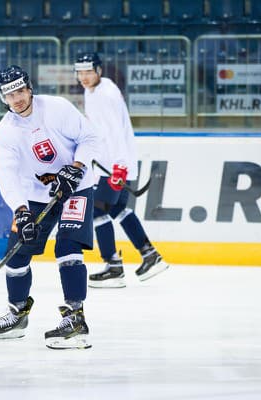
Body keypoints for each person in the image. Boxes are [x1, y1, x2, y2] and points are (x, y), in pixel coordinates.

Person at [0, 65, 102, 349]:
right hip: (36, 195)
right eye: (9, 94)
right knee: (16, 252)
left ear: (29, 88)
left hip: (77, 187)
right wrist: (21, 211)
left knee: (67, 245)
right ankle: (17, 312)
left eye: (20, 90)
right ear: (3, 98)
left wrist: (76, 168)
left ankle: (75, 317)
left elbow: (90, 137)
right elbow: (8, 177)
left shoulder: (56, 108)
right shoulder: (4, 133)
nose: (17, 99)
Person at [74, 52, 169, 288]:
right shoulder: (96, 89)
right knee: (118, 209)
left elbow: (115, 132)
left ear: (99, 70)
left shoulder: (105, 94)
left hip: (115, 166)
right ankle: (149, 254)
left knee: (96, 211)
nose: (84, 77)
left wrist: (119, 168)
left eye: (88, 72)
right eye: (80, 72)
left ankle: (113, 266)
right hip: (113, 164)